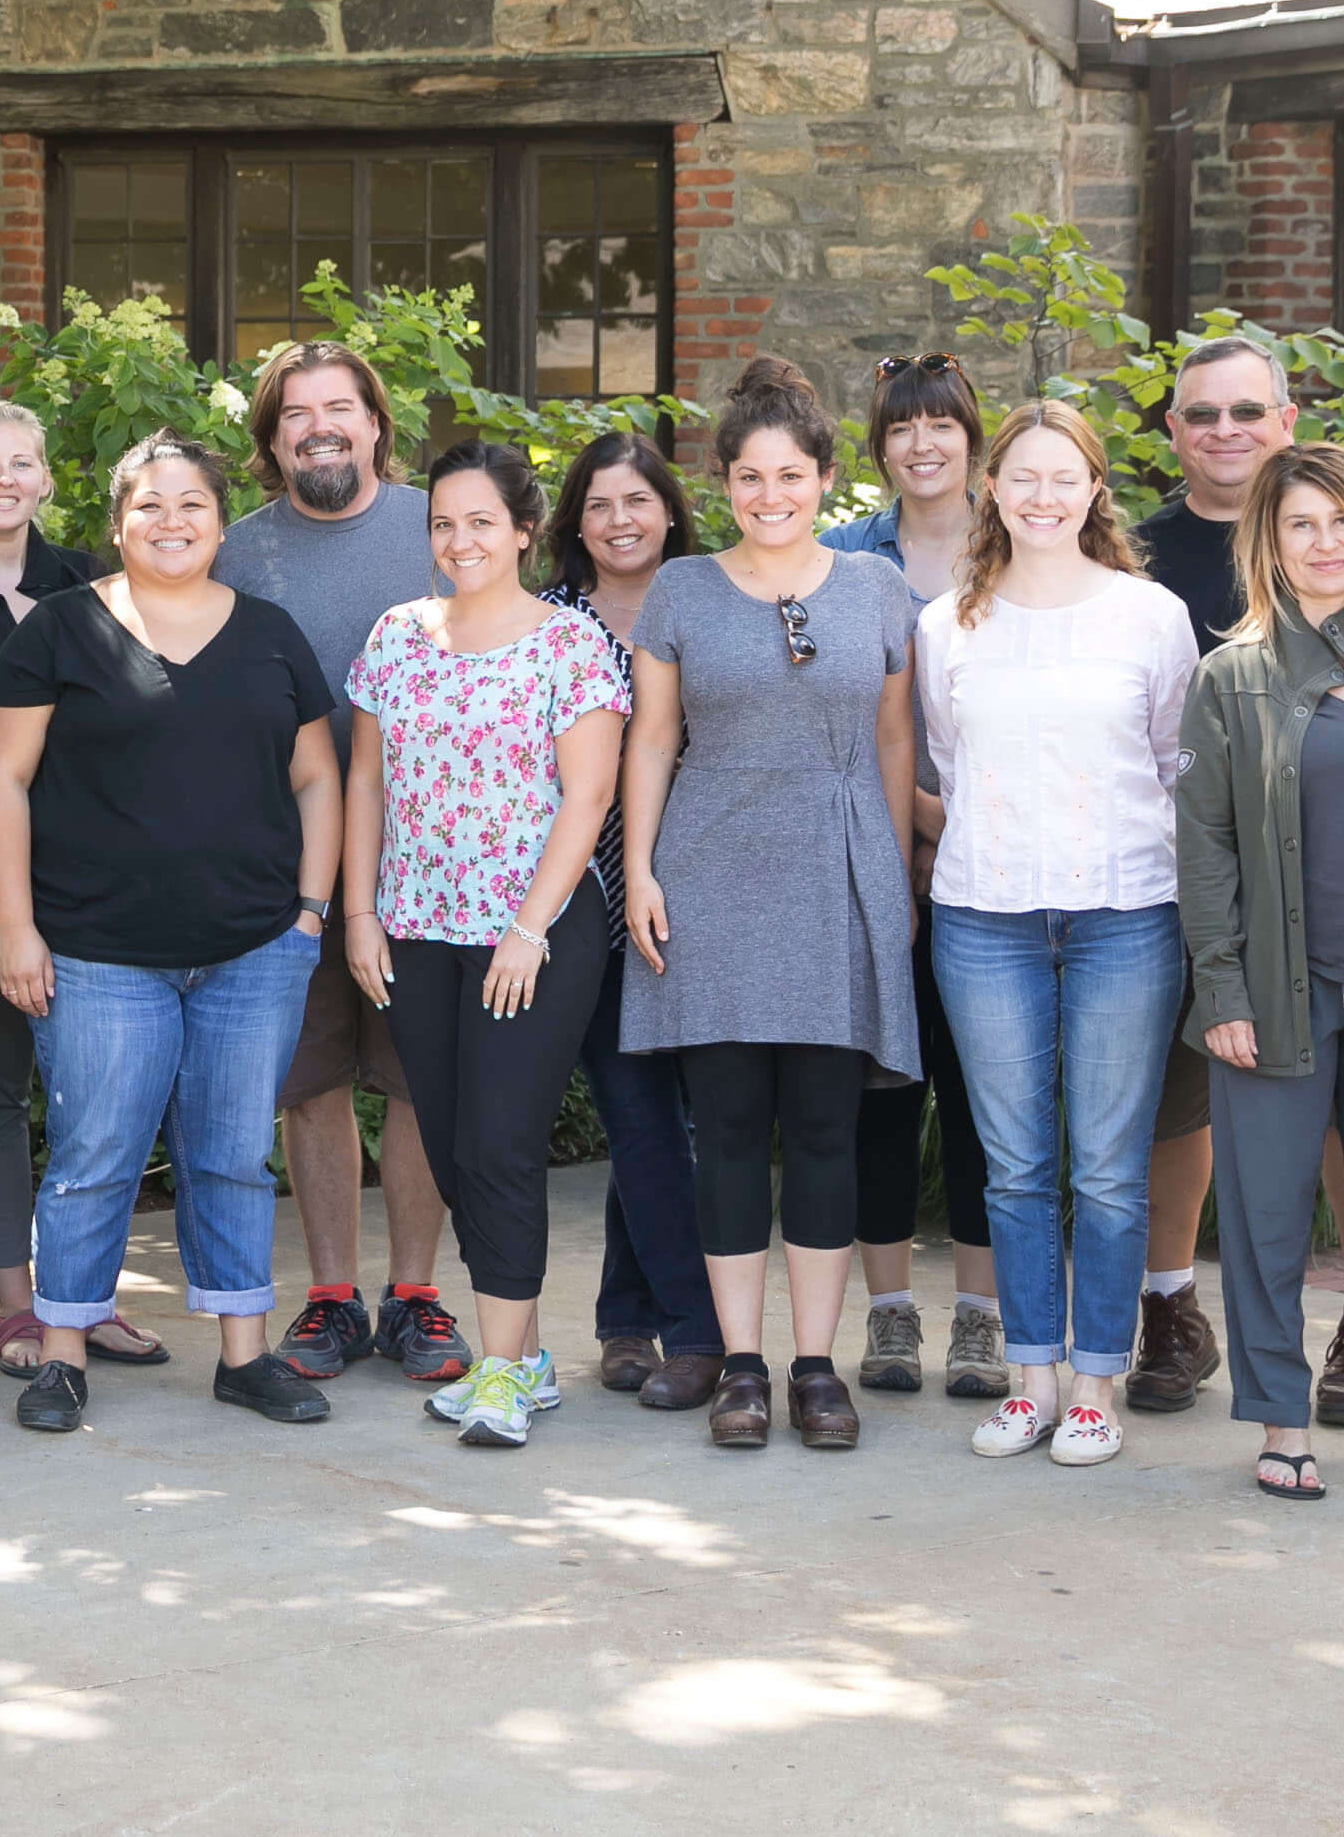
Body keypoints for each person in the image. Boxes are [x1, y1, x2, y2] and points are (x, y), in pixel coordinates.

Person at [1131, 331, 1344, 1420]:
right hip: (1218, 929)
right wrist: (1219, 973)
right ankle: (1197, 1340)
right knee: (1217, 1157)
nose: (1223, 430)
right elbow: (1204, 822)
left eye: (1245, 411)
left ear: (1283, 419)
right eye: (1201, 414)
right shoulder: (1161, 592)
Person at [0, 431, 344, 1437]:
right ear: (115, 523)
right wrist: (17, 929)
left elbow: (318, 777)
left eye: (191, 504)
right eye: (149, 505)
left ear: (222, 525)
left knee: (230, 1153)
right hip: (96, 952)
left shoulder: (269, 632)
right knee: (94, 1152)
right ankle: (60, 1352)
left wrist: (309, 912)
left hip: (253, 947)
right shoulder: (56, 630)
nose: (170, 521)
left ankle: (242, 1353)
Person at [619, 356, 922, 1453]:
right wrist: (642, 868)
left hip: (839, 866)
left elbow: (894, 740)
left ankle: (813, 1367)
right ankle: (742, 1364)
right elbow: (651, 737)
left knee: (828, 1131)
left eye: (789, 475)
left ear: (825, 478)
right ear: (726, 484)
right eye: (748, 478)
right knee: (731, 1129)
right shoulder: (681, 591)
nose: (769, 496)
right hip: (708, 867)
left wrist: (890, 880)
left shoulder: (879, 591)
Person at [912, 403, 1199, 1470]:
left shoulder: (1150, 614)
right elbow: (944, 761)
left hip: (1125, 914)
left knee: (1111, 1171)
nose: (1041, 495)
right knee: (1016, 1168)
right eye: (1021, 477)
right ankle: (1029, 1379)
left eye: (1062, 476)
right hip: (984, 914)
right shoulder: (948, 625)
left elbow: (1173, 761)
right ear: (993, 488)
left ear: (1091, 490)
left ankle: (1094, 1386)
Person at [343, 441, 632, 1448]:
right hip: (416, 928)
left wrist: (526, 929)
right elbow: (365, 784)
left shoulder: (568, 644)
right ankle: (529, 1353)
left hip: (534, 938)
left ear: (521, 530)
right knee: (457, 1147)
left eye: (479, 522)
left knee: (502, 1143)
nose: (458, 541)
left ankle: (502, 1368)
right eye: (442, 523)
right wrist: (359, 912)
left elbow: (587, 797)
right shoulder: (394, 638)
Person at [0, 397, 161, 1375]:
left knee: (103, 1103)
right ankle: (17, 1306)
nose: (3, 479)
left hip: (90, 891)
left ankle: (83, 1301)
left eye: (20, 463)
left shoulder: (93, 589)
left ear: (47, 480)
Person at [216, 342, 464, 1388]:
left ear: (373, 423)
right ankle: (328, 1297)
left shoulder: (440, 529)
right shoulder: (232, 551)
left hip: (431, 860)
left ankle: (413, 1295)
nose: (318, 426)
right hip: (285, 867)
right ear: (272, 441)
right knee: (308, 1083)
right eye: (296, 414)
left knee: (419, 1086)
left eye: (339, 409)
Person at [821, 353, 1002, 1401]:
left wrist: (950, 823)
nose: (921, 445)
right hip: (875, 870)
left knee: (984, 1102)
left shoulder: (1017, 546)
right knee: (878, 1097)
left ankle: (978, 1319)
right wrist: (910, 827)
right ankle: (888, 1315)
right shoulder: (846, 563)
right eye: (901, 429)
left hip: (997, 877)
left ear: (970, 438)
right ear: (879, 445)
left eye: (940, 425)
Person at [542, 434, 726, 1414]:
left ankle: (623, 1321)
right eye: (599, 504)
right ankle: (694, 1331)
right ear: (575, 523)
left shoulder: (704, 604)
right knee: (643, 1118)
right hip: (572, 904)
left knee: (652, 1119)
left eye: (637, 501)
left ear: (667, 511)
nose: (620, 520)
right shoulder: (546, 621)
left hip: (682, 893)